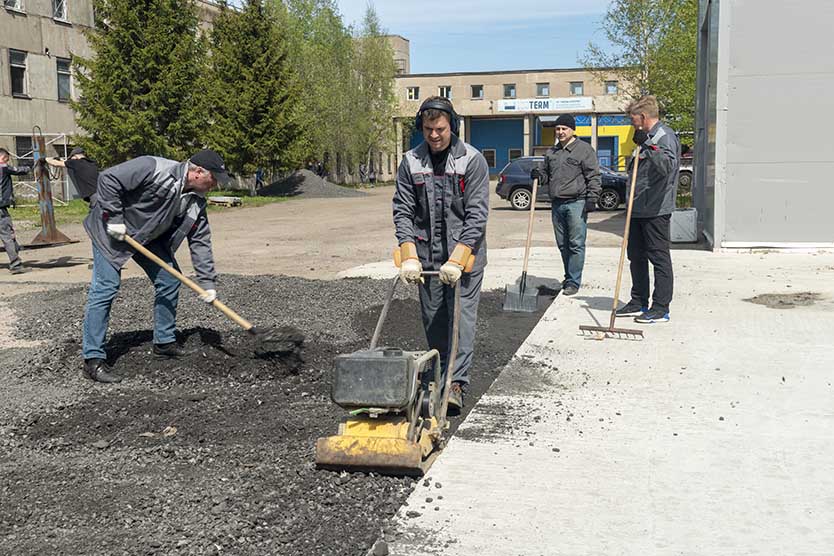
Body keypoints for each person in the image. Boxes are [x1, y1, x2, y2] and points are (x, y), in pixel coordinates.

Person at [81, 149, 230, 383]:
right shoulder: (154, 167)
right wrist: (115, 218)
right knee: (106, 287)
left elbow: (200, 241)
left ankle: (164, 342)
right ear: (198, 172)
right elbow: (108, 178)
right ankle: (93, 359)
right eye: (215, 178)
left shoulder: (196, 202)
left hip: (148, 238)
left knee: (169, 280)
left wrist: (207, 283)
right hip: (111, 232)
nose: (216, 185)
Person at [393, 96, 490, 412]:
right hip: (426, 258)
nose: (434, 135)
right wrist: (409, 254)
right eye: (427, 129)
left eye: (440, 129)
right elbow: (403, 210)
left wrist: (458, 259)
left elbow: (477, 215)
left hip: (464, 259)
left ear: (453, 127)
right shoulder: (410, 162)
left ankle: (457, 383)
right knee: (434, 320)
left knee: (461, 320)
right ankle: (439, 374)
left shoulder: (471, 161)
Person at [615, 95, 680, 324]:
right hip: (638, 208)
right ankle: (638, 300)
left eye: (633, 119)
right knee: (636, 257)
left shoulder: (664, 136)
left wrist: (648, 145)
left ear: (643, 117)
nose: (632, 124)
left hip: (656, 209)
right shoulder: (645, 138)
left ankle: (660, 307)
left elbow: (668, 167)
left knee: (659, 258)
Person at [531, 114, 601, 296]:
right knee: (563, 244)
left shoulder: (584, 150)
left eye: (564, 129)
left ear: (572, 130)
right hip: (557, 204)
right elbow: (547, 176)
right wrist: (538, 175)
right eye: (558, 129)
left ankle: (573, 281)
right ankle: (569, 276)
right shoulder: (552, 152)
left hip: (576, 203)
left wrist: (592, 198)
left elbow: (593, 175)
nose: (560, 132)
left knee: (576, 243)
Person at [0, 148, 29, 274]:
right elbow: (19, 171)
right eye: (6, 159)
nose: (7, 161)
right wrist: (32, 165)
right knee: (7, 235)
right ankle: (15, 263)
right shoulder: (3, 167)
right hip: (0, 208)